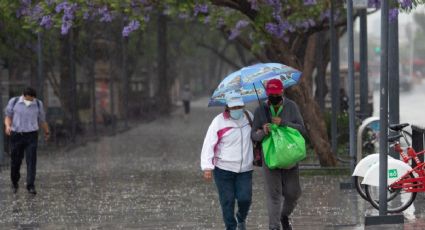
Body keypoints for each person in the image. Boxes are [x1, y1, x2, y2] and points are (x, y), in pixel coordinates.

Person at [251, 79, 306, 230]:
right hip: (270, 157)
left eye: (276, 94)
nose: (273, 97)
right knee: (274, 194)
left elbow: (302, 130)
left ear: (282, 92)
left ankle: (284, 215)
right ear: (267, 94)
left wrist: (284, 123)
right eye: (271, 95)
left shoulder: (291, 106)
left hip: (289, 156)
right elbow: (253, 135)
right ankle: (274, 226)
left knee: (293, 193)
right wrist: (263, 131)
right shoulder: (260, 110)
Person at [200, 91, 254, 230]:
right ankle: (231, 227)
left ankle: (241, 218)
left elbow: (256, 136)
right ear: (227, 107)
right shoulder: (219, 121)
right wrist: (207, 167)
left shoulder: (249, 117)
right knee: (227, 201)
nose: (237, 110)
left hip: (245, 169)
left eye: (239, 106)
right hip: (223, 169)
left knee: (245, 199)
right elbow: (209, 143)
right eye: (234, 107)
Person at [4, 87, 50, 195]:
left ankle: (30, 185)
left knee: (31, 160)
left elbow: (42, 120)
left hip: (31, 135)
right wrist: (7, 126)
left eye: (32, 99)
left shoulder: (38, 104)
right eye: (28, 99)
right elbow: (8, 116)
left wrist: (47, 132)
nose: (30, 101)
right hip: (17, 134)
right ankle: (14, 181)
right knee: (16, 161)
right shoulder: (14, 101)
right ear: (24, 96)